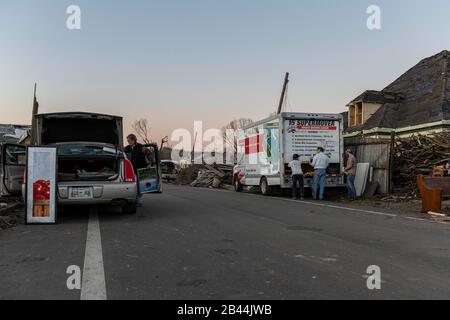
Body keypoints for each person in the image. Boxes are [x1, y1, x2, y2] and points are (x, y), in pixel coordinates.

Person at [124, 134, 152, 206]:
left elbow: (149, 154)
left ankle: (139, 201)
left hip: (140, 170)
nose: (128, 142)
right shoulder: (127, 148)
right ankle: (133, 199)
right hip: (131, 170)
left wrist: (150, 163)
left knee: (141, 186)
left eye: (129, 140)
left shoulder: (141, 147)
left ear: (134, 140)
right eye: (127, 141)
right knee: (133, 185)